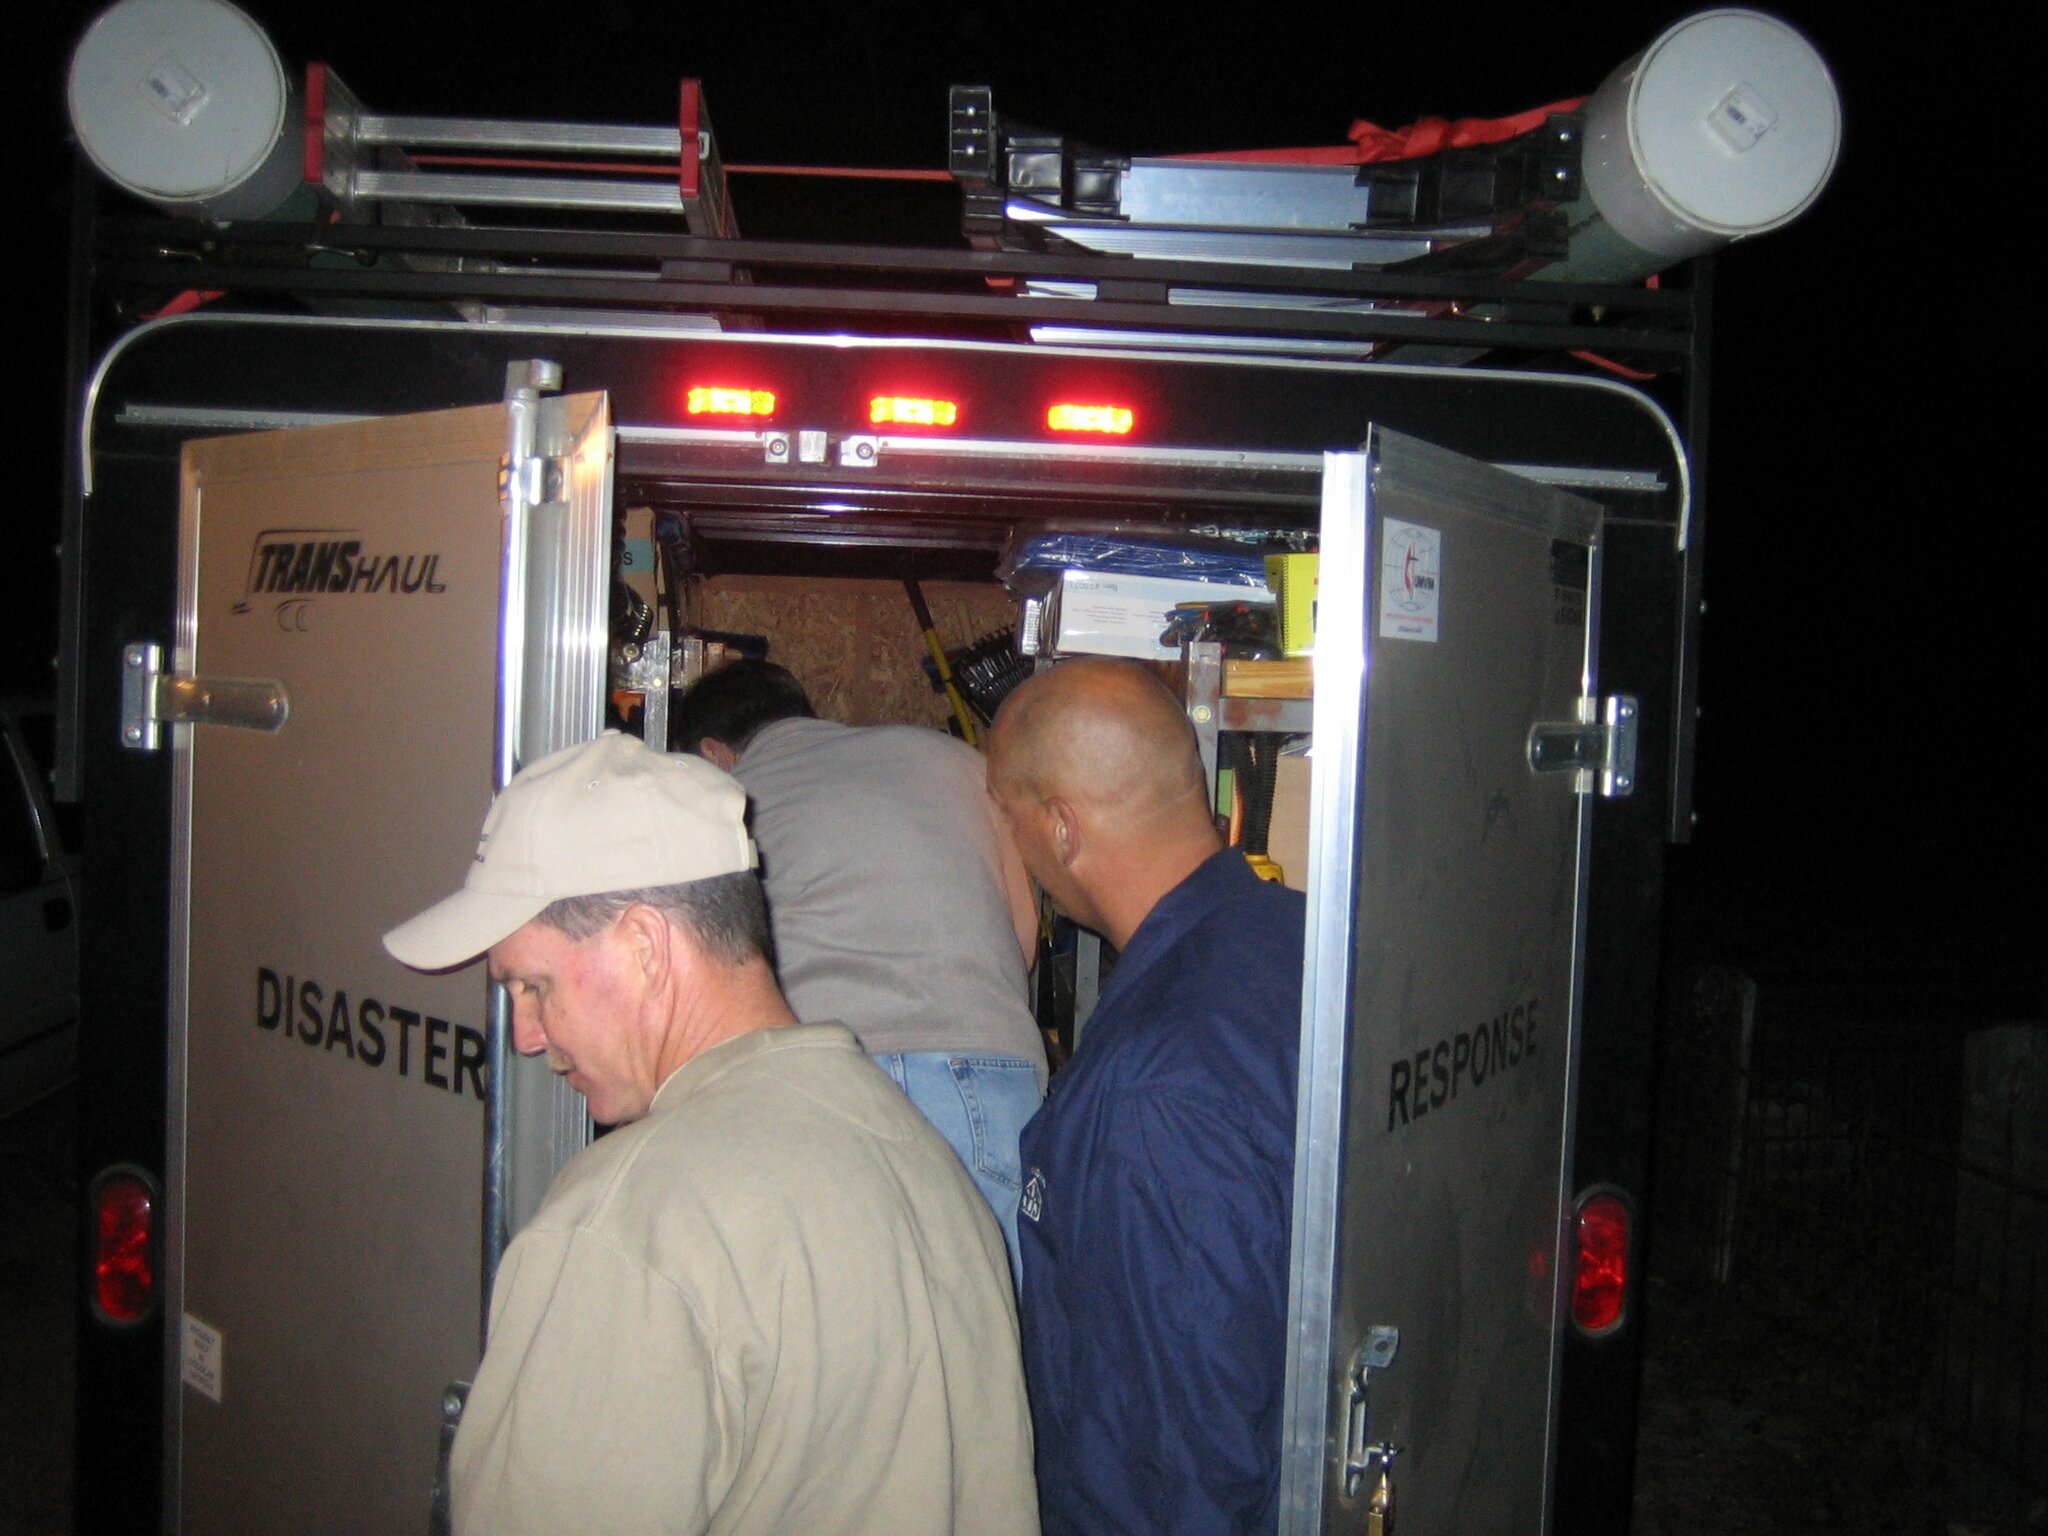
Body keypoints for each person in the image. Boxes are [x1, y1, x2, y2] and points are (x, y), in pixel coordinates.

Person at [382, 732, 1037, 1536]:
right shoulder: (926, 1165)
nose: (524, 1035)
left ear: (644, 945)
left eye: (533, 985)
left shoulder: (626, 1224)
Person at [984, 658, 1306, 1536]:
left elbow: (1174, 1464)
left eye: (1008, 817)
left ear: (1060, 827)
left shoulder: (1152, 1093)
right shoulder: (1297, 937)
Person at [673, 659, 1046, 1282]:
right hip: (984, 1073)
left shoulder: (725, 802)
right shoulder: (957, 761)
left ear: (713, 753)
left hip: (820, 1082)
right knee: (993, 1324)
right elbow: (1024, 939)